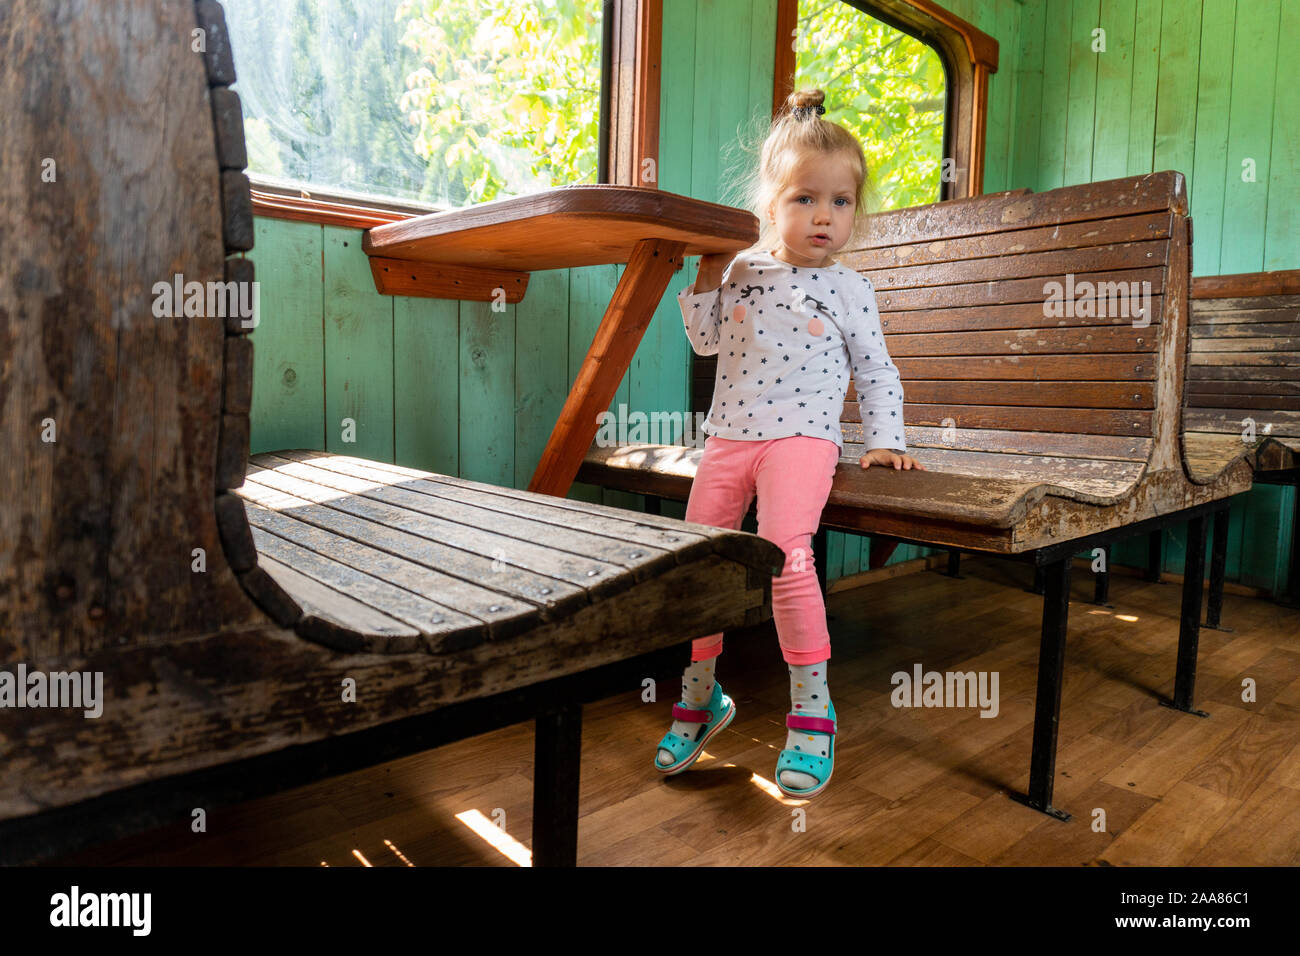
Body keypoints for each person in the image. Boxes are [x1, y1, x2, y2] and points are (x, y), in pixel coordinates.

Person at [653, 87, 926, 798]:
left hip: (803, 439)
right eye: (806, 198)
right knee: (702, 558)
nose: (825, 217)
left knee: (786, 556)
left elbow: (875, 369)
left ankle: (811, 713)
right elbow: (707, 341)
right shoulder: (743, 269)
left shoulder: (850, 289)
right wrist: (709, 274)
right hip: (730, 436)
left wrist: (885, 438)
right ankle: (701, 696)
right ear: (770, 204)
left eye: (841, 202)